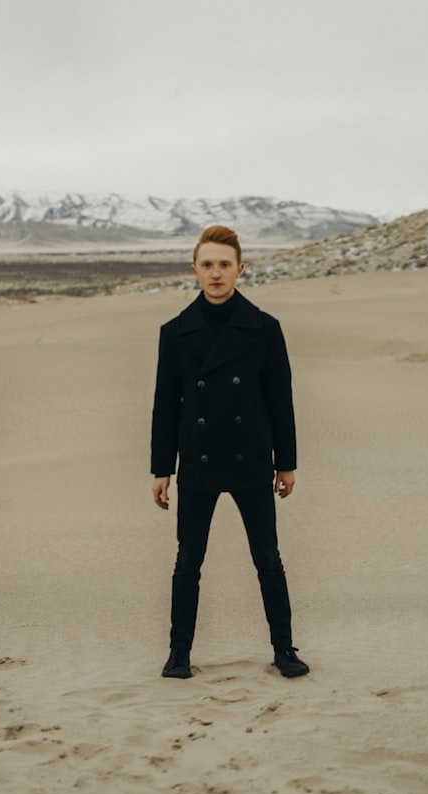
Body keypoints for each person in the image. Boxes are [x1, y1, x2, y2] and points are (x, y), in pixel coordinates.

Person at [151, 225, 309, 679]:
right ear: (194, 270)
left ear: (240, 269)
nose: (216, 273)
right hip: (197, 459)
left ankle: (284, 650)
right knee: (188, 562)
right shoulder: (175, 332)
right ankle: (179, 654)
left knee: (268, 559)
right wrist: (162, 468)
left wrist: (287, 463)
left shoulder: (264, 328)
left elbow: (281, 400)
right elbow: (166, 405)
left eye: (224, 265)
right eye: (207, 265)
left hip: (251, 458)